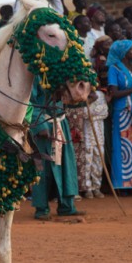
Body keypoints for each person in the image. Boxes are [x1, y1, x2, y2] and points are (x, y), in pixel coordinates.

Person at [29, 79, 84, 220]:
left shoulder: (59, 69)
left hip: (61, 123)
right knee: (43, 168)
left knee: (66, 165)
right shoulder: (35, 72)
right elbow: (29, 101)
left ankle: (67, 206)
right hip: (43, 124)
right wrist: (39, 125)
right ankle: (42, 208)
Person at [107, 40, 132, 190]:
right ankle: (122, 185)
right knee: (122, 146)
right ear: (123, 53)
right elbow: (114, 93)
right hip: (122, 112)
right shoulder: (114, 69)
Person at [81, 89, 107, 199]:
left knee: (99, 161)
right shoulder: (83, 95)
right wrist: (91, 103)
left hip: (99, 135)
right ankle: (88, 189)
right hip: (87, 135)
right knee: (87, 161)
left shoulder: (100, 94)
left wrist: (93, 113)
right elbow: (84, 114)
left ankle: (97, 187)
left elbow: (105, 112)